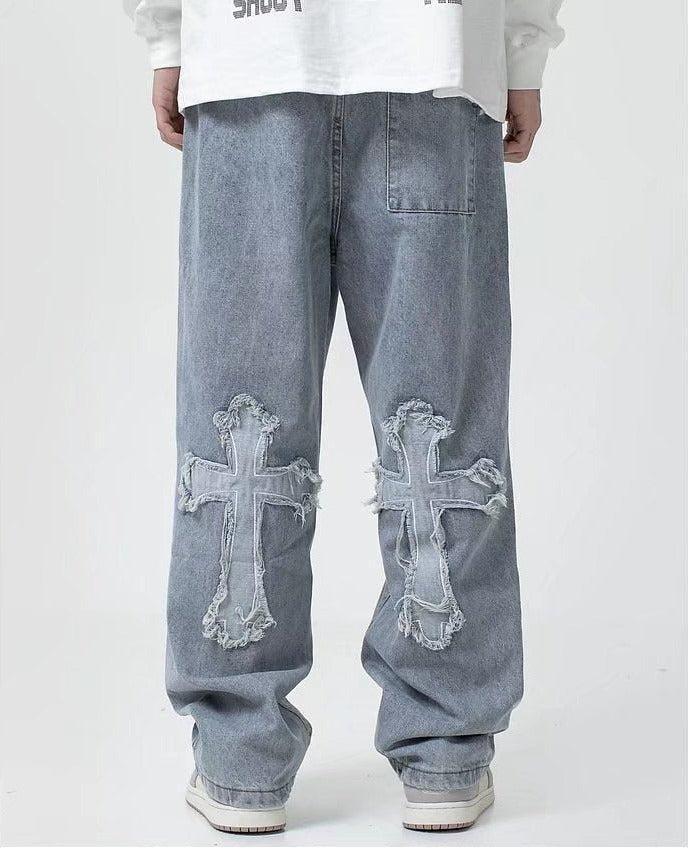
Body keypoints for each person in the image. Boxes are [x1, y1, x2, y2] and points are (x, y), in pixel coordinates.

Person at [126, 0, 564, 834]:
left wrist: (170, 34)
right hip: (433, 55)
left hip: (251, 56)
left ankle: (239, 755)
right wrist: (519, 49)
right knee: (438, 415)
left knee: (240, 414)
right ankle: (445, 749)